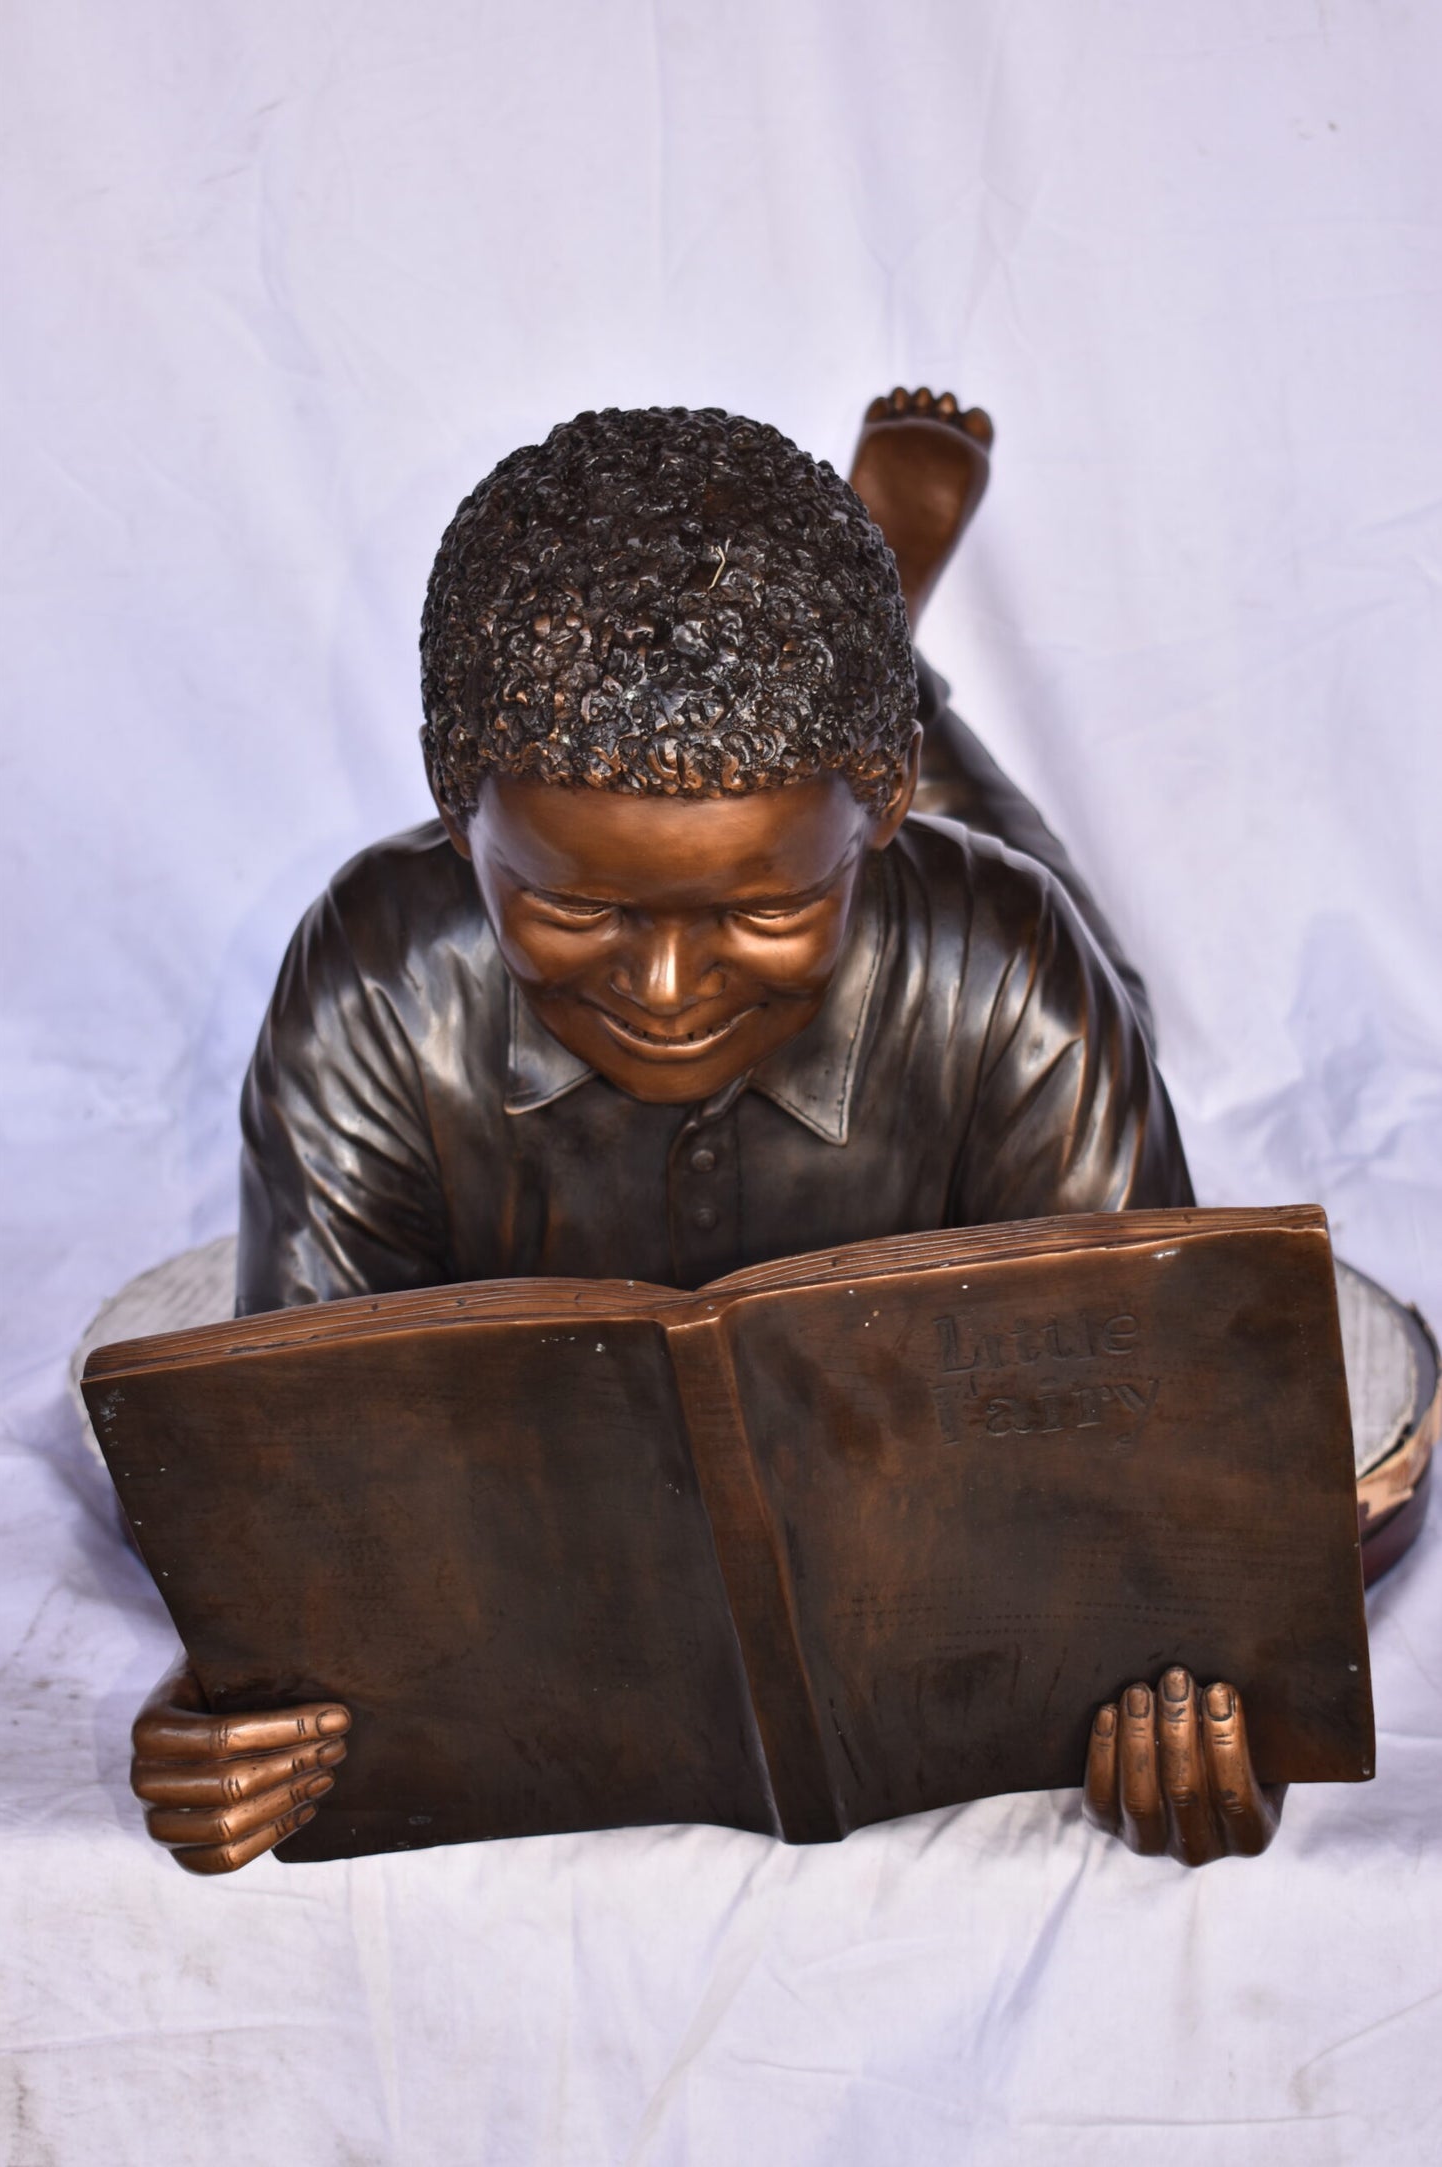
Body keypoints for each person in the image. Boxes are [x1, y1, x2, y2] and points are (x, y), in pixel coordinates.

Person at [128, 395, 1282, 1874]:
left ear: (879, 804)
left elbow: (1155, 1469)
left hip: (945, 886)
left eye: (766, 907)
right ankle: (852, 674)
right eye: (572, 906)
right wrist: (238, 1695)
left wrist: (1206, 1706)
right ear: (455, 809)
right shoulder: (372, 979)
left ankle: (887, 639)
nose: (666, 993)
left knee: (1098, 983)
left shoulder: (1004, 971)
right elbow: (302, 1475)